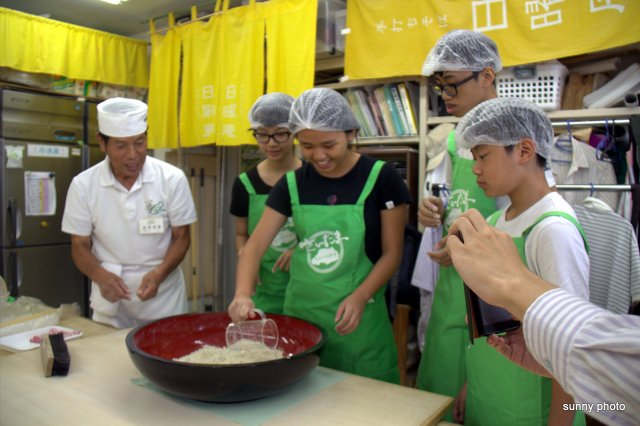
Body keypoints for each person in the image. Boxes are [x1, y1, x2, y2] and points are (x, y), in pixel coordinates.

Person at [228, 88, 412, 383]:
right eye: (308, 146)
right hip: (302, 317)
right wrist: (242, 295)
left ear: (350, 133)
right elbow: (254, 246)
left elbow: (392, 254)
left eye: (329, 144)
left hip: (358, 320)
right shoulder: (293, 183)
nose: (319, 155)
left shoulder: (381, 178)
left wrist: (360, 296)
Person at [454, 97, 590, 425]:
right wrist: (472, 385)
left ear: (525, 151)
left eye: (483, 156)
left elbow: (571, 347)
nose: (475, 168)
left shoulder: (552, 230)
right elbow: (495, 325)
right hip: (490, 393)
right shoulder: (500, 222)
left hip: (532, 409)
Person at [445, 209, 640, 426]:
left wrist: (515, 283)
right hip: (489, 398)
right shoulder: (495, 220)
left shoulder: (557, 230)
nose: (476, 172)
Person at [414, 29, 504, 419]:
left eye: (452, 87)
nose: (446, 98)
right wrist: (431, 211)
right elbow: (448, 199)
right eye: (440, 89)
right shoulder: (453, 142)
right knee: (439, 401)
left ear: (487, 75)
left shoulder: (515, 137)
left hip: (497, 297)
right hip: (452, 291)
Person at [62, 97, 197, 328]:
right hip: (110, 297)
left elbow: (182, 237)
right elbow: (79, 244)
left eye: (139, 142)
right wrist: (100, 276)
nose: (133, 154)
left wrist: (159, 273)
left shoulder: (172, 179)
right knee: (109, 360)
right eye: (121, 145)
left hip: (163, 296)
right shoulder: (83, 185)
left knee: (164, 355)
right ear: (102, 143)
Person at [229, 93, 301, 314]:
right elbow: (242, 234)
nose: (271, 143)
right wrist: (247, 258)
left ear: (295, 132)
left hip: (305, 285)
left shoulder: (310, 178)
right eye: (262, 135)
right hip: (262, 288)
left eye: (280, 134)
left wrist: (301, 249)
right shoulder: (245, 184)